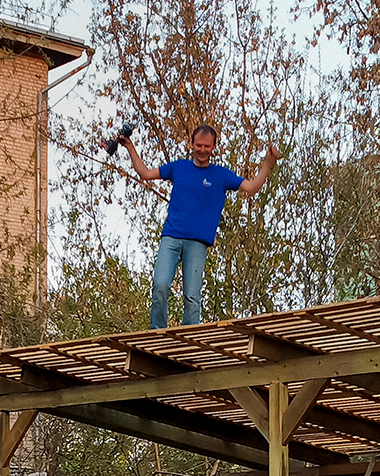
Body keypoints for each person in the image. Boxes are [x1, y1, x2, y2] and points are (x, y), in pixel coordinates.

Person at [116, 125, 280, 329]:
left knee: (192, 296)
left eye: (206, 146)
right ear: (192, 145)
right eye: (198, 145)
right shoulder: (179, 168)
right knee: (160, 285)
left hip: (197, 242)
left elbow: (252, 187)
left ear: (213, 147)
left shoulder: (221, 175)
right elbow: (145, 173)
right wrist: (130, 147)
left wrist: (269, 162)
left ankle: (189, 336)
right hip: (172, 236)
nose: (201, 150)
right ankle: (156, 332)